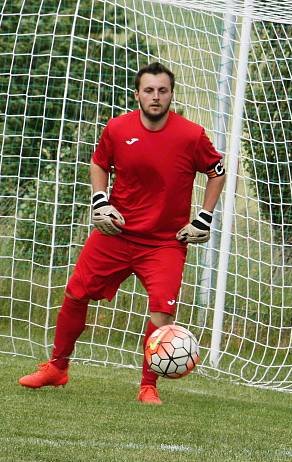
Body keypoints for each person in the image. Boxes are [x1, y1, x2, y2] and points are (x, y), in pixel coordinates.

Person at [19, 62, 226, 405]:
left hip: (164, 243)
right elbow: (100, 163)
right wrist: (100, 201)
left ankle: (148, 386)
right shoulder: (117, 128)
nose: (156, 97)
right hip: (115, 233)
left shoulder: (191, 135)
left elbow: (217, 172)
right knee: (75, 293)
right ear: (137, 95)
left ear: (172, 94)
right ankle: (56, 367)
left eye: (162, 90)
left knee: (163, 314)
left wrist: (203, 218)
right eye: (149, 90)